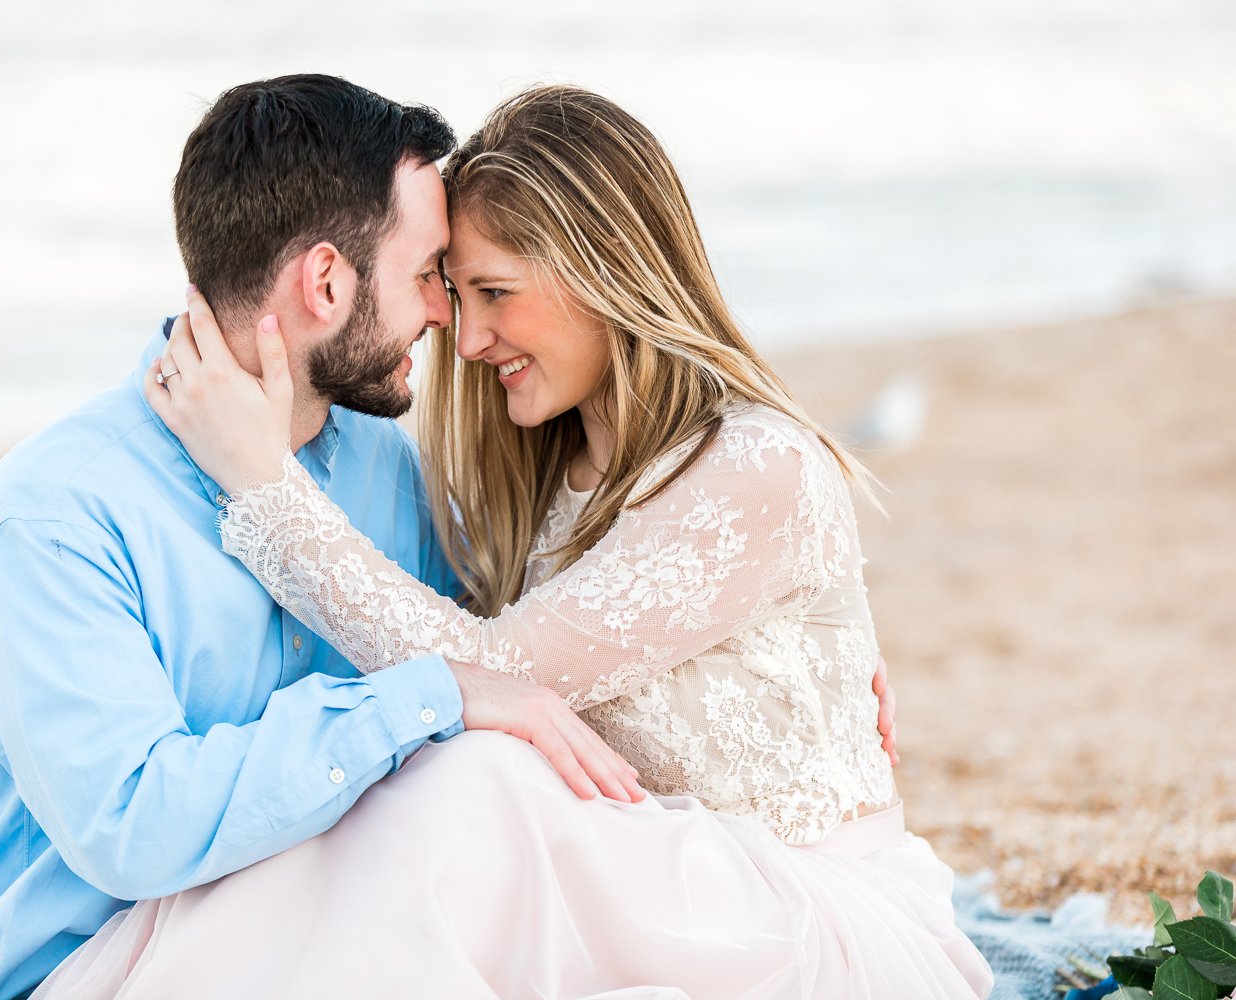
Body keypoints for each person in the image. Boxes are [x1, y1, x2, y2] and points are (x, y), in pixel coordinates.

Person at [113, 85, 994, 998]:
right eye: (456, 293)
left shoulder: (757, 467)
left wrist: (261, 483)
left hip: (807, 917)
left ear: (608, 268)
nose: (468, 334)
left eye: (496, 293)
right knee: (414, 814)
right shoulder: (542, 475)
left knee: (471, 785)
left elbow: (492, 672)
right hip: (660, 887)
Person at [0, 75, 662, 1000]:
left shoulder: (388, 467)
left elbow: (508, 665)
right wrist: (419, 701)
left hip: (340, 929)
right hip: (86, 967)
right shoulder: (53, 517)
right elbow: (135, 826)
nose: (446, 315)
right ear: (325, 281)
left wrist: (773, 660)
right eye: (428, 273)